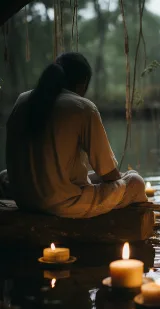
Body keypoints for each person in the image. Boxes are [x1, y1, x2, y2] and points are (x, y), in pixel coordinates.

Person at [4, 52, 147, 218]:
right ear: (83, 83)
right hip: (62, 204)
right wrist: (121, 177)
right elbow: (109, 174)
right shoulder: (82, 107)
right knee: (135, 181)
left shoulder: (22, 99)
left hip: (24, 200)